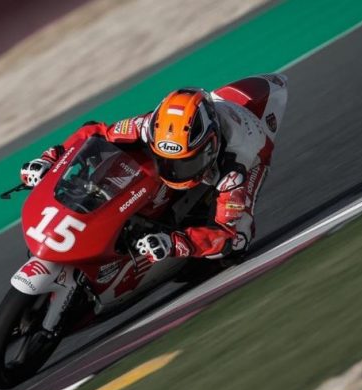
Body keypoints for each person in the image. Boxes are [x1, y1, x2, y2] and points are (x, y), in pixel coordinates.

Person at [21, 74, 288, 263]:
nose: (173, 171)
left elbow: (231, 236)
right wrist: (51, 159)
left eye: (185, 163)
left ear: (210, 146)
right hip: (202, 126)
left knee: (237, 246)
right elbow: (95, 132)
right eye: (167, 160)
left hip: (253, 150)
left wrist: (175, 243)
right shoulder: (149, 126)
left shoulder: (236, 167)